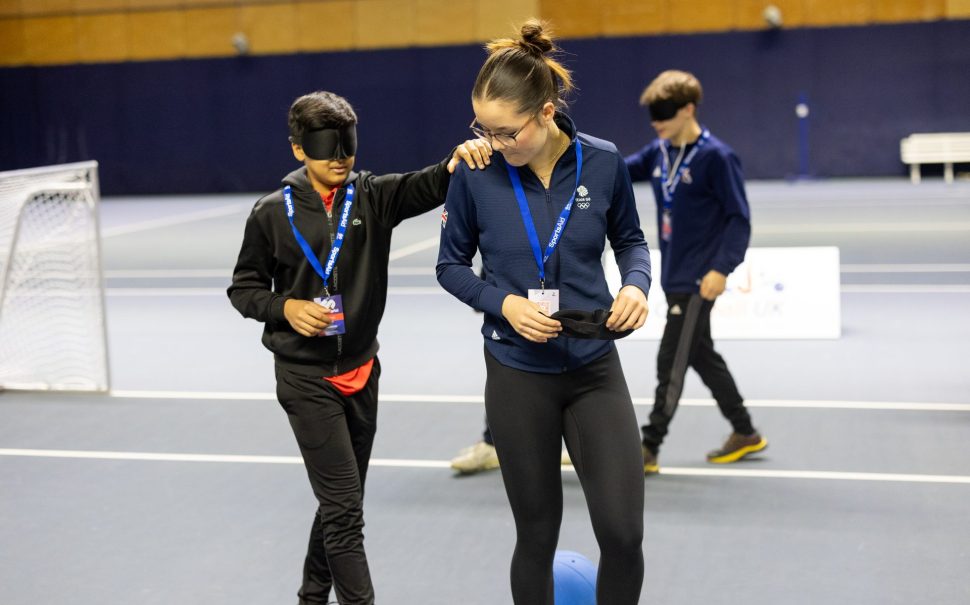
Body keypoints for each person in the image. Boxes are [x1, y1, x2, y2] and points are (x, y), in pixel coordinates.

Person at [227, 90, 490, 605]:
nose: (341, 159)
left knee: (339, 505)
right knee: (346, 512)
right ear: (299, 150)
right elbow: (244, 289)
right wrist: (286, 308)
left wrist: (459, 159)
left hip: (363, 372)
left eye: (348, 147)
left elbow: (429, 183)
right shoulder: (270, 214)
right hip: (306, 380)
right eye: (327, 149)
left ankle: (310, 596)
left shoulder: (371, 195)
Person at [437, 21, 651, 604]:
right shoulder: (474, 174)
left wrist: (636, 285)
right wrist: (502, 302)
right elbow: (450, 266)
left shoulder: (604, 163)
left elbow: (631, 242)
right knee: (535, 534)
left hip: (593, 370)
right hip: (516, 376)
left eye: (506, 131)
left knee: (623, 534)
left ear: (547, 113)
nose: (492, 140)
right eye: (483, 127)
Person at [625, 69, 768, 474]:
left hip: (697, 281)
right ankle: (745, 432)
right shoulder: (659, 152)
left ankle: (648, 446)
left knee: (670, 362)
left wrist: (721, 269)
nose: (657, 124)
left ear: (688, 109)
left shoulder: (717, 158)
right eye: (653, 117)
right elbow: (615, 170)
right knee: (701, 355)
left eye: (665, 115)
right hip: (673, 276)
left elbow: (739, 220)